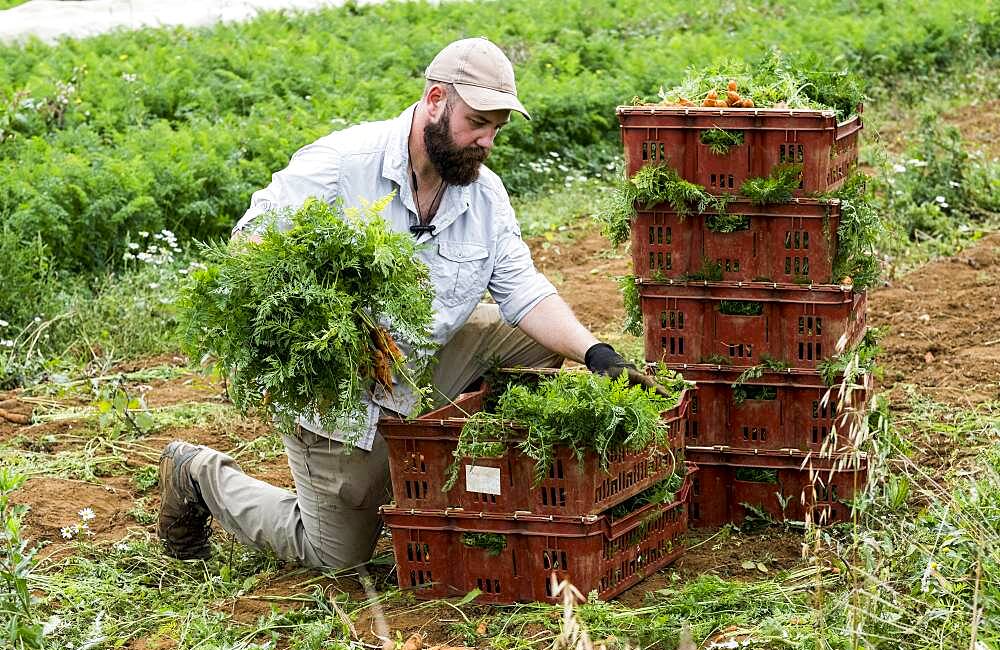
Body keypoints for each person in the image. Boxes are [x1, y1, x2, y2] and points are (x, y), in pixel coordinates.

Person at [158, 37, 665, 568]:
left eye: (497, 128)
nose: (487, 140)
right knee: (338, 555)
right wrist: (329, 327)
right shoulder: (340, 168)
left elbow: (524, 290)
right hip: (341, 395)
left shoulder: (483, 194)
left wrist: (596, 353)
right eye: (477, 122)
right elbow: (248, 251)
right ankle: (197, 473)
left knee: (527, 343)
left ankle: (443, 472)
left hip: (419, 362)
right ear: (436, 100)